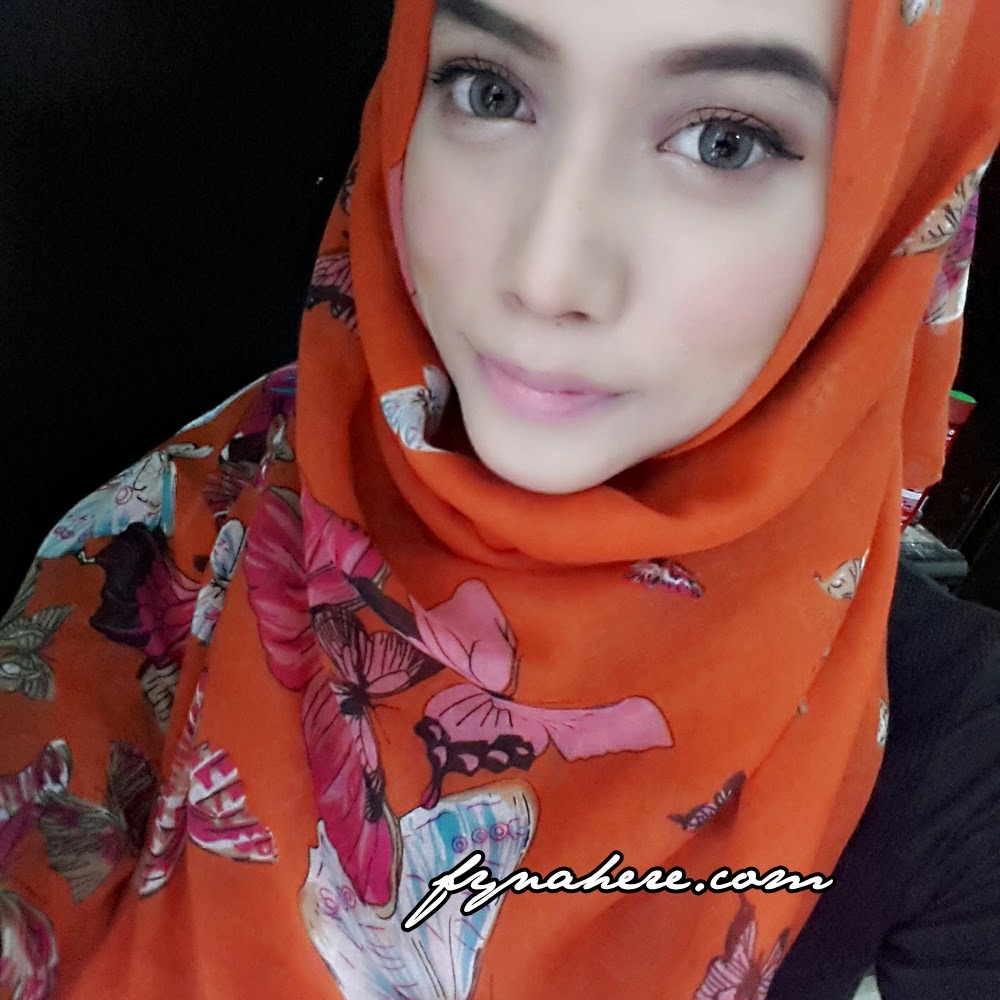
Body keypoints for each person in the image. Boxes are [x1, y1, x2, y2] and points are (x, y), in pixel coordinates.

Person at [1, 0, 998, 997]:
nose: (545, 272)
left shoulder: (959, 753)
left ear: (902, 193)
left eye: (724, 143)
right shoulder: (173, 527)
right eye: (490, 92)